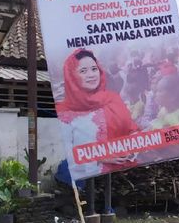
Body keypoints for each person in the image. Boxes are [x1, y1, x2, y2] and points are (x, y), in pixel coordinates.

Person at [57, 48, 138, 178]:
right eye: (83, 71)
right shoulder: (64, 112)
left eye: (94, 69)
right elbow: (66, 153)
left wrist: (130, 150)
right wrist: (100, 158)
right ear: (72, 76)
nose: (91, 75)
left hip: (126, 176)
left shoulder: (113, 99)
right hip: (91, 179)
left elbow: (132, 130)